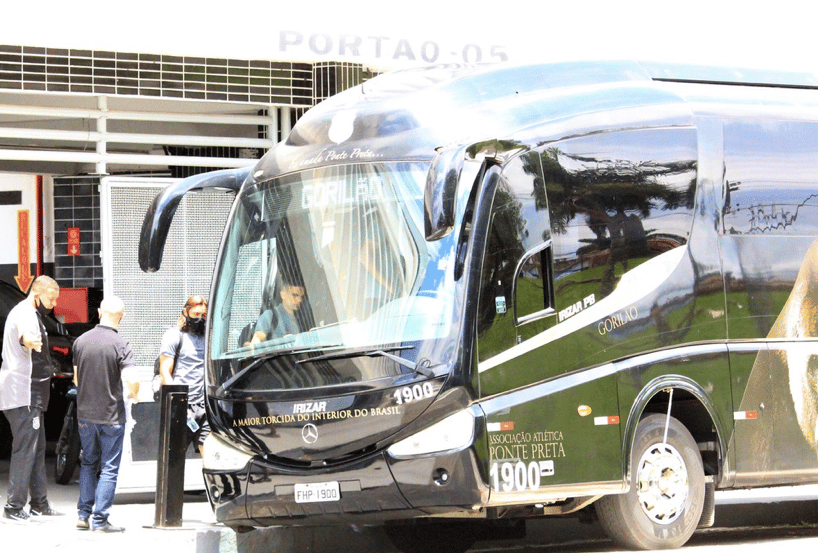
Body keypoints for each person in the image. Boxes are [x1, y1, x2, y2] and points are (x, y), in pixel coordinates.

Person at [73, 296, 139, 532]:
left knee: (88, 463)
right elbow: (131, 381)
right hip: (111, 415)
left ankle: (83, 515)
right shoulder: (122, 344)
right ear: (122, 316)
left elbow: (77, 379)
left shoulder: (80, 341)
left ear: (100, 312)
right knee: (109, 467)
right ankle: (100, 520)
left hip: (85, 415)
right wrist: (135, 395)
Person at [0, 275, 62, 523]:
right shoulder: (25, 314)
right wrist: (30, 340)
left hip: (31, 395)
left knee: (35, 450)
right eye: (51, 297)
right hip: (23, 394)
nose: (54, 303)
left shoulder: (30, 313)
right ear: (37, 294)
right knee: (26, 450)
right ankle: (14, 506)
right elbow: (26, 336)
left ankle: (39, 503)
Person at [158, 295, 209, 454]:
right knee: (174, 456)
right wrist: (178, 404)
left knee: (208, 450)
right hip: (183, 407)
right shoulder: (174, 335)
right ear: (185, 312)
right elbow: (165, 371)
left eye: (203, 316)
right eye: (196, 315)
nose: (200, 319)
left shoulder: (208, 337)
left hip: (205, 407)